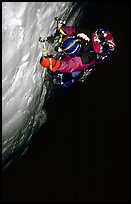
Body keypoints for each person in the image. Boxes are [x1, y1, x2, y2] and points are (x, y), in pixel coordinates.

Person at [40, 19, 115, 87]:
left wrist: (53, 63)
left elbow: (72, 65)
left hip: (79, 64)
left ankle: (61, 79)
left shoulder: (88, 57)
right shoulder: (88, 34)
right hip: (76, 54)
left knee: (70, 74)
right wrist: (62, 31)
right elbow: (73, 30)